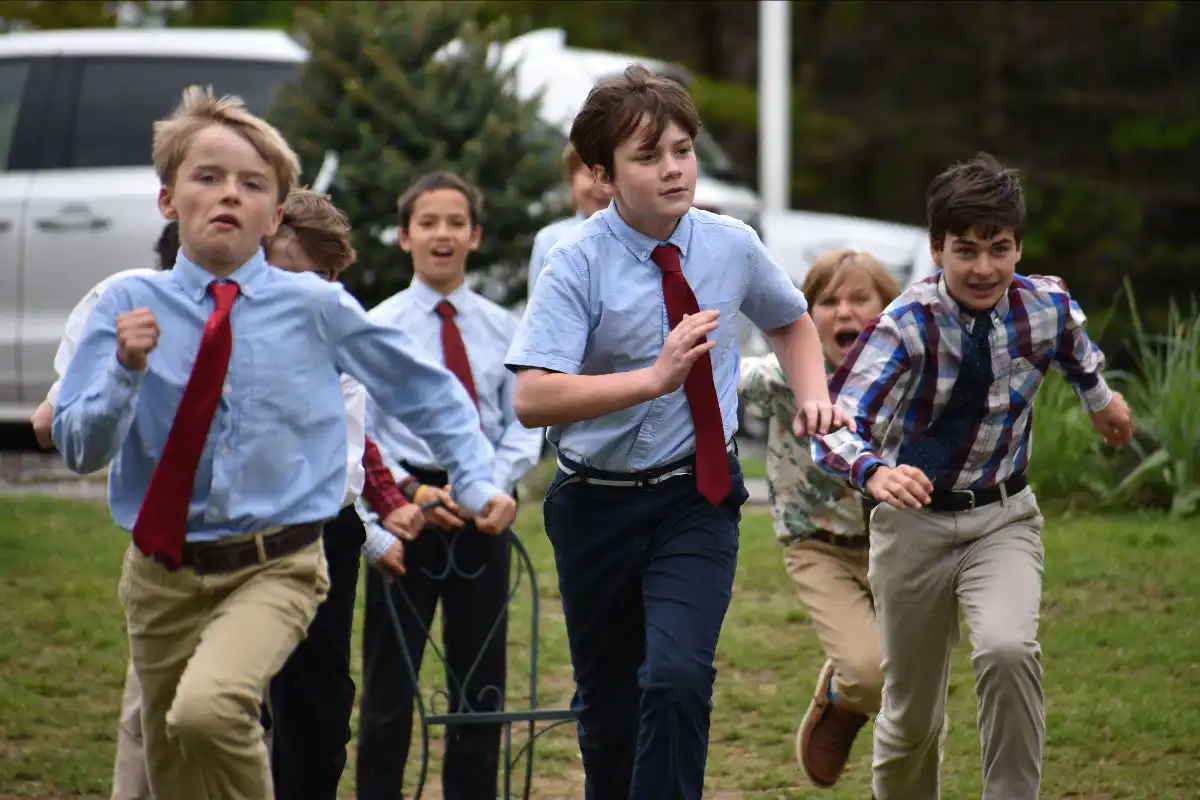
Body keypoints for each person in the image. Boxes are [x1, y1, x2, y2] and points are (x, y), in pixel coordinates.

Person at [52, 85, 515, 800]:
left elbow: (421, 389)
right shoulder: (124, 307)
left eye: (252, 184)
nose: (229, 195)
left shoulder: (315, 305)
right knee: (174, 751)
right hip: (160, 573)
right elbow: (79, 447)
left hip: (278, 565)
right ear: (168, 200)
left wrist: (477, 479)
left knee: (209, 711)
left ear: (274, 213)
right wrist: (123, 373)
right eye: (207, 177)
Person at [504, 66, 851, 799]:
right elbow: (532, 397)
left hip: (695, 494)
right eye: (648, 156)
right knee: (609, 710)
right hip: (592, 504)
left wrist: (815, 395)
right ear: (602, 174)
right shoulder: (574, 261)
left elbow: (790, 320)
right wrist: (652, 379)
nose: (673, 169)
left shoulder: (730, 243)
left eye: (683, 150)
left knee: (677, 677)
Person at [812, 153, 1135, 800]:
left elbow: (1073, 345)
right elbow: (835, 423)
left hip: (1004, 516)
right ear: (936, 249)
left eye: (1000, 248)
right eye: (966, 251)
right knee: (912, 715)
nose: (984, 268)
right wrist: (875, 473)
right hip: (913, 527)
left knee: (1008, 649)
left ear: (1019, 246)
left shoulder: (1044, 304)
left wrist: (1102, 401)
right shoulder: (905, 323)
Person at [355, 171, 543, 800]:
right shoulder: (378, 327)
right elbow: (363, 427)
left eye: (455, 223)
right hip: (404, 511)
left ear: (475, 236)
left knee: (480, 679)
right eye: (428, 223)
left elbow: (522, 420)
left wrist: (491, 485)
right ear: (405, 237)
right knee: (389, 680)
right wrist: (406, 493)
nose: (443, 234)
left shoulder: (503, 326)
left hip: (482, 508)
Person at [261, 187, 425, 800]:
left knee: (320, 702)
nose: (317, 292)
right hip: (234, 527)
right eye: (297, 274)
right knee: (236, 700)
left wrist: (378, 521)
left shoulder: (339, 328)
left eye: (327, 277)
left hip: (323, 528)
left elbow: (351, 455)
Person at [739, 249, 901, 788]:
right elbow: (723, 376)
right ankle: (842, 695)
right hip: (818, 544)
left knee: (913, 689)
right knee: (867, 671)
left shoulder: (914, 377)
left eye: (860, 299)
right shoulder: (787, 377)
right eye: (827, 302)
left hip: (905, 545)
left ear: (890, 311)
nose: (843, 312)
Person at [525, 142, 611, 298]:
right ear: (571, 181)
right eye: (590, 175)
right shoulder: (553, 240)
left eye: (609, 176)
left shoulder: (647, 235)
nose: (601, 186)